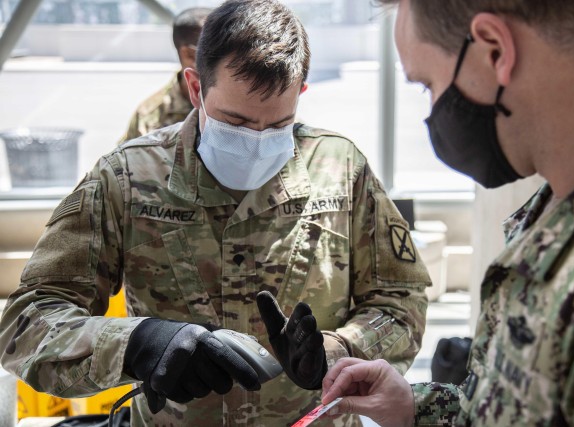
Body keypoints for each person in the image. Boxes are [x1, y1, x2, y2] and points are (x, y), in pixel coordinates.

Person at [0, 1, 430, 426]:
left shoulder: (341, 170)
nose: (257, 141)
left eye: (277, 124)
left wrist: (339, 350)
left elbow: (400, 300)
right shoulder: (127, 178)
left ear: (300, 93)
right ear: (195, 88)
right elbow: (27, 321)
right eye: (235, 122)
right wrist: (136, 344)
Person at [321, 0, 574, 426]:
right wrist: (418, 408)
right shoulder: (565, 206)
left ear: (494, 49)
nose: (433, 112)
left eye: (428, 85)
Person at [120, 7, 211, 142]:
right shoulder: (150, 118)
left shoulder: (239, 100)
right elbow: (126, 160)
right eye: (219, 49)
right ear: (189, 55)